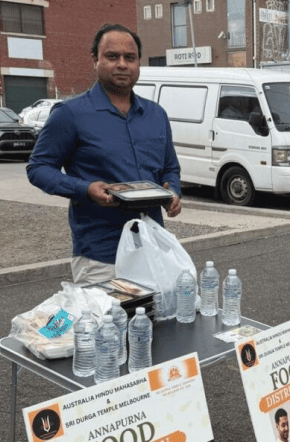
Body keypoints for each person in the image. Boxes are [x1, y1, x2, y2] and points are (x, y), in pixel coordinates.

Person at [27, 24, 182, 286]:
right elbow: (38, 168)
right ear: (95, 60)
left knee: (152, 325)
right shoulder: (70, 114)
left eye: (130, 58)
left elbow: (170, 168)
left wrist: (173, 191)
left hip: (152, 249)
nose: (122, 64)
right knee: (103, 326)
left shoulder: (156, 115)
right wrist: (85, 189)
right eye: (112, 57)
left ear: (138, 63)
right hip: (101, 255)